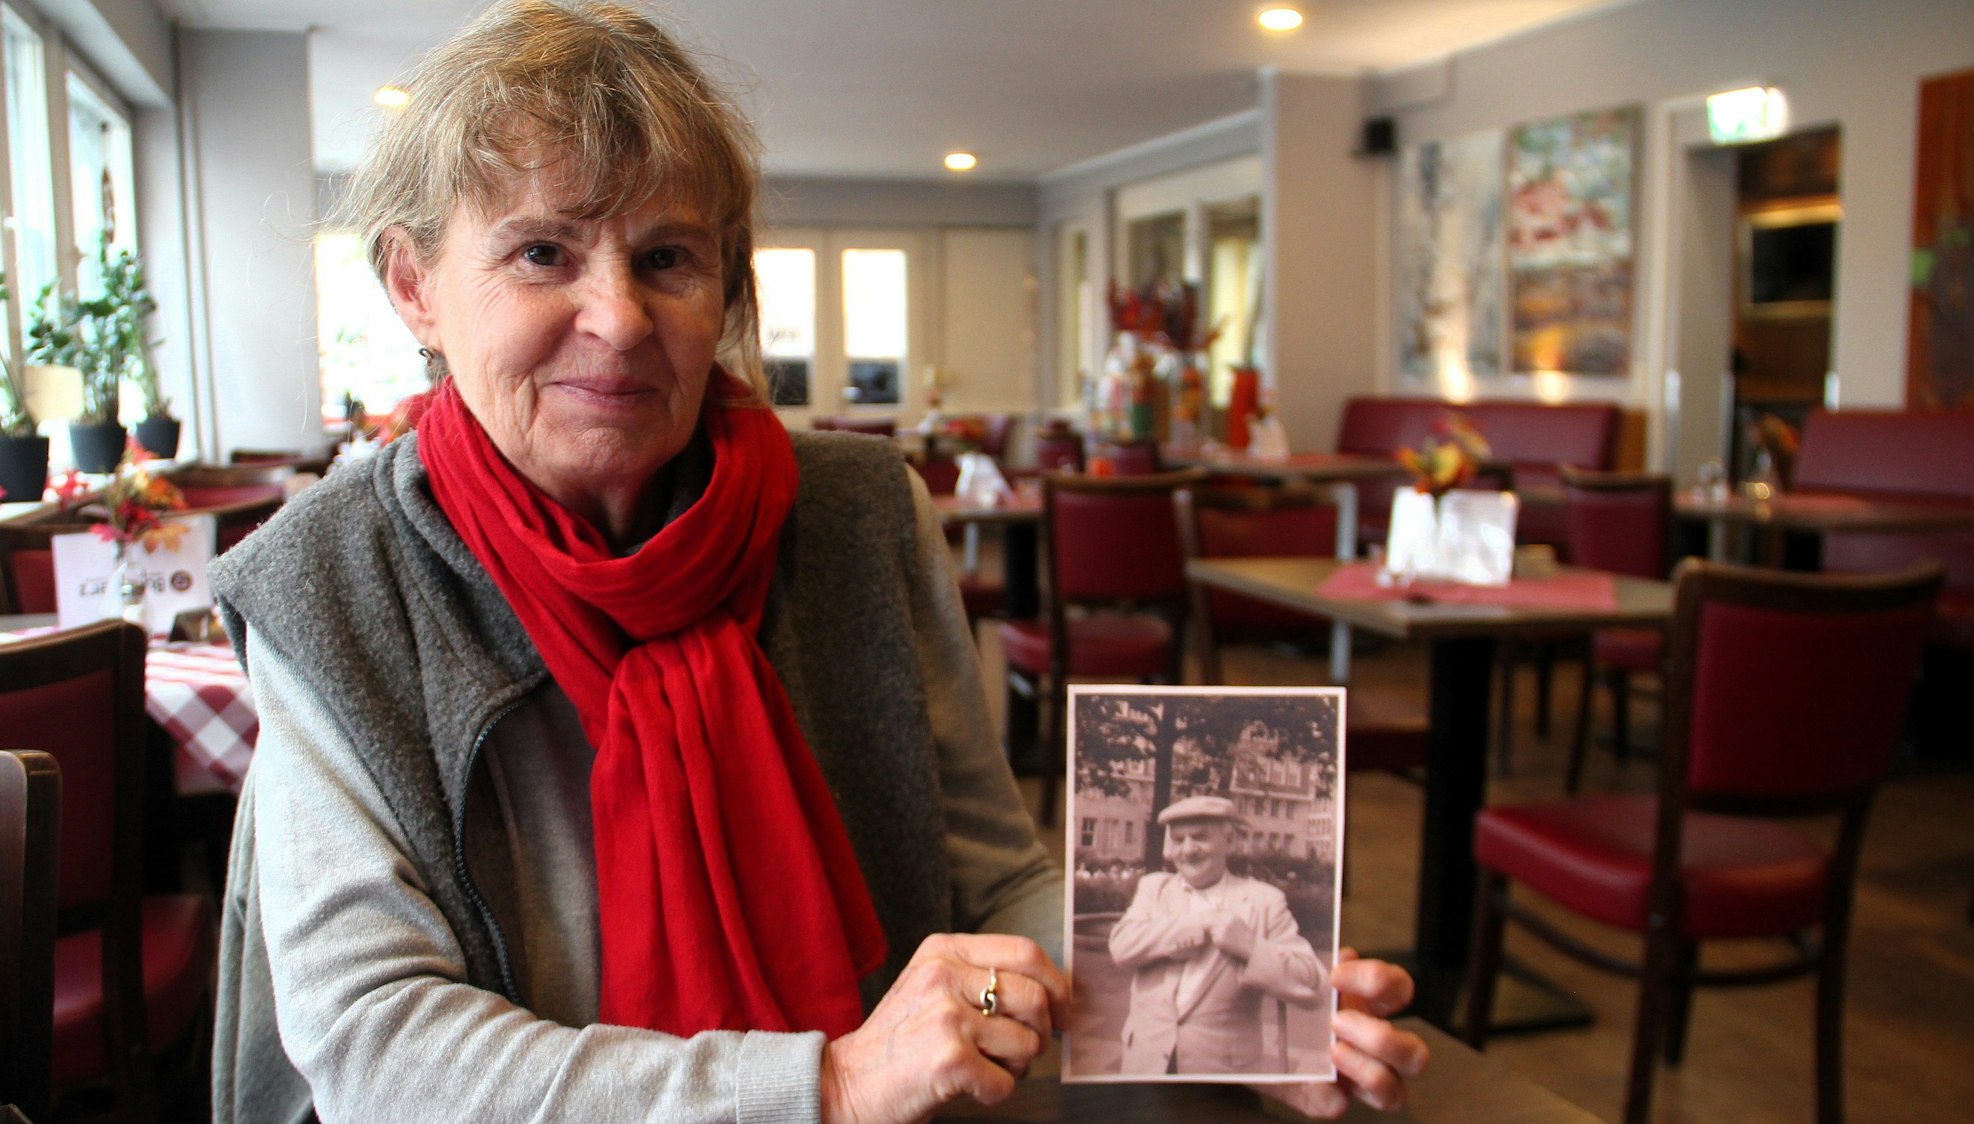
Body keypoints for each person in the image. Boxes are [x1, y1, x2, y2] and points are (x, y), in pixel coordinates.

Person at [207, 3, 1426, 1122]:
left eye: (668, 257)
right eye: (542, 253)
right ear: (414, 286)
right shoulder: (330, 579)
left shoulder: (857, 514)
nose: (620, 317)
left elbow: (995, 890)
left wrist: (1226, 1010)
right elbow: (374, 1042)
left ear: (726, 287)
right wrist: (825, 1083)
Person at [1109, 796, 1331, 1075]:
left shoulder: (1264, 901)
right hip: (1146, 1061)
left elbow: (1314, 988)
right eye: (1178, 840)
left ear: (1230, 840)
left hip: (1222, 1070)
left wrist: (1251, 946)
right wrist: (1196, 924)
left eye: (1200, 837)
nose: (1188, 850)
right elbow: (1121, 946)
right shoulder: (1154, 889)